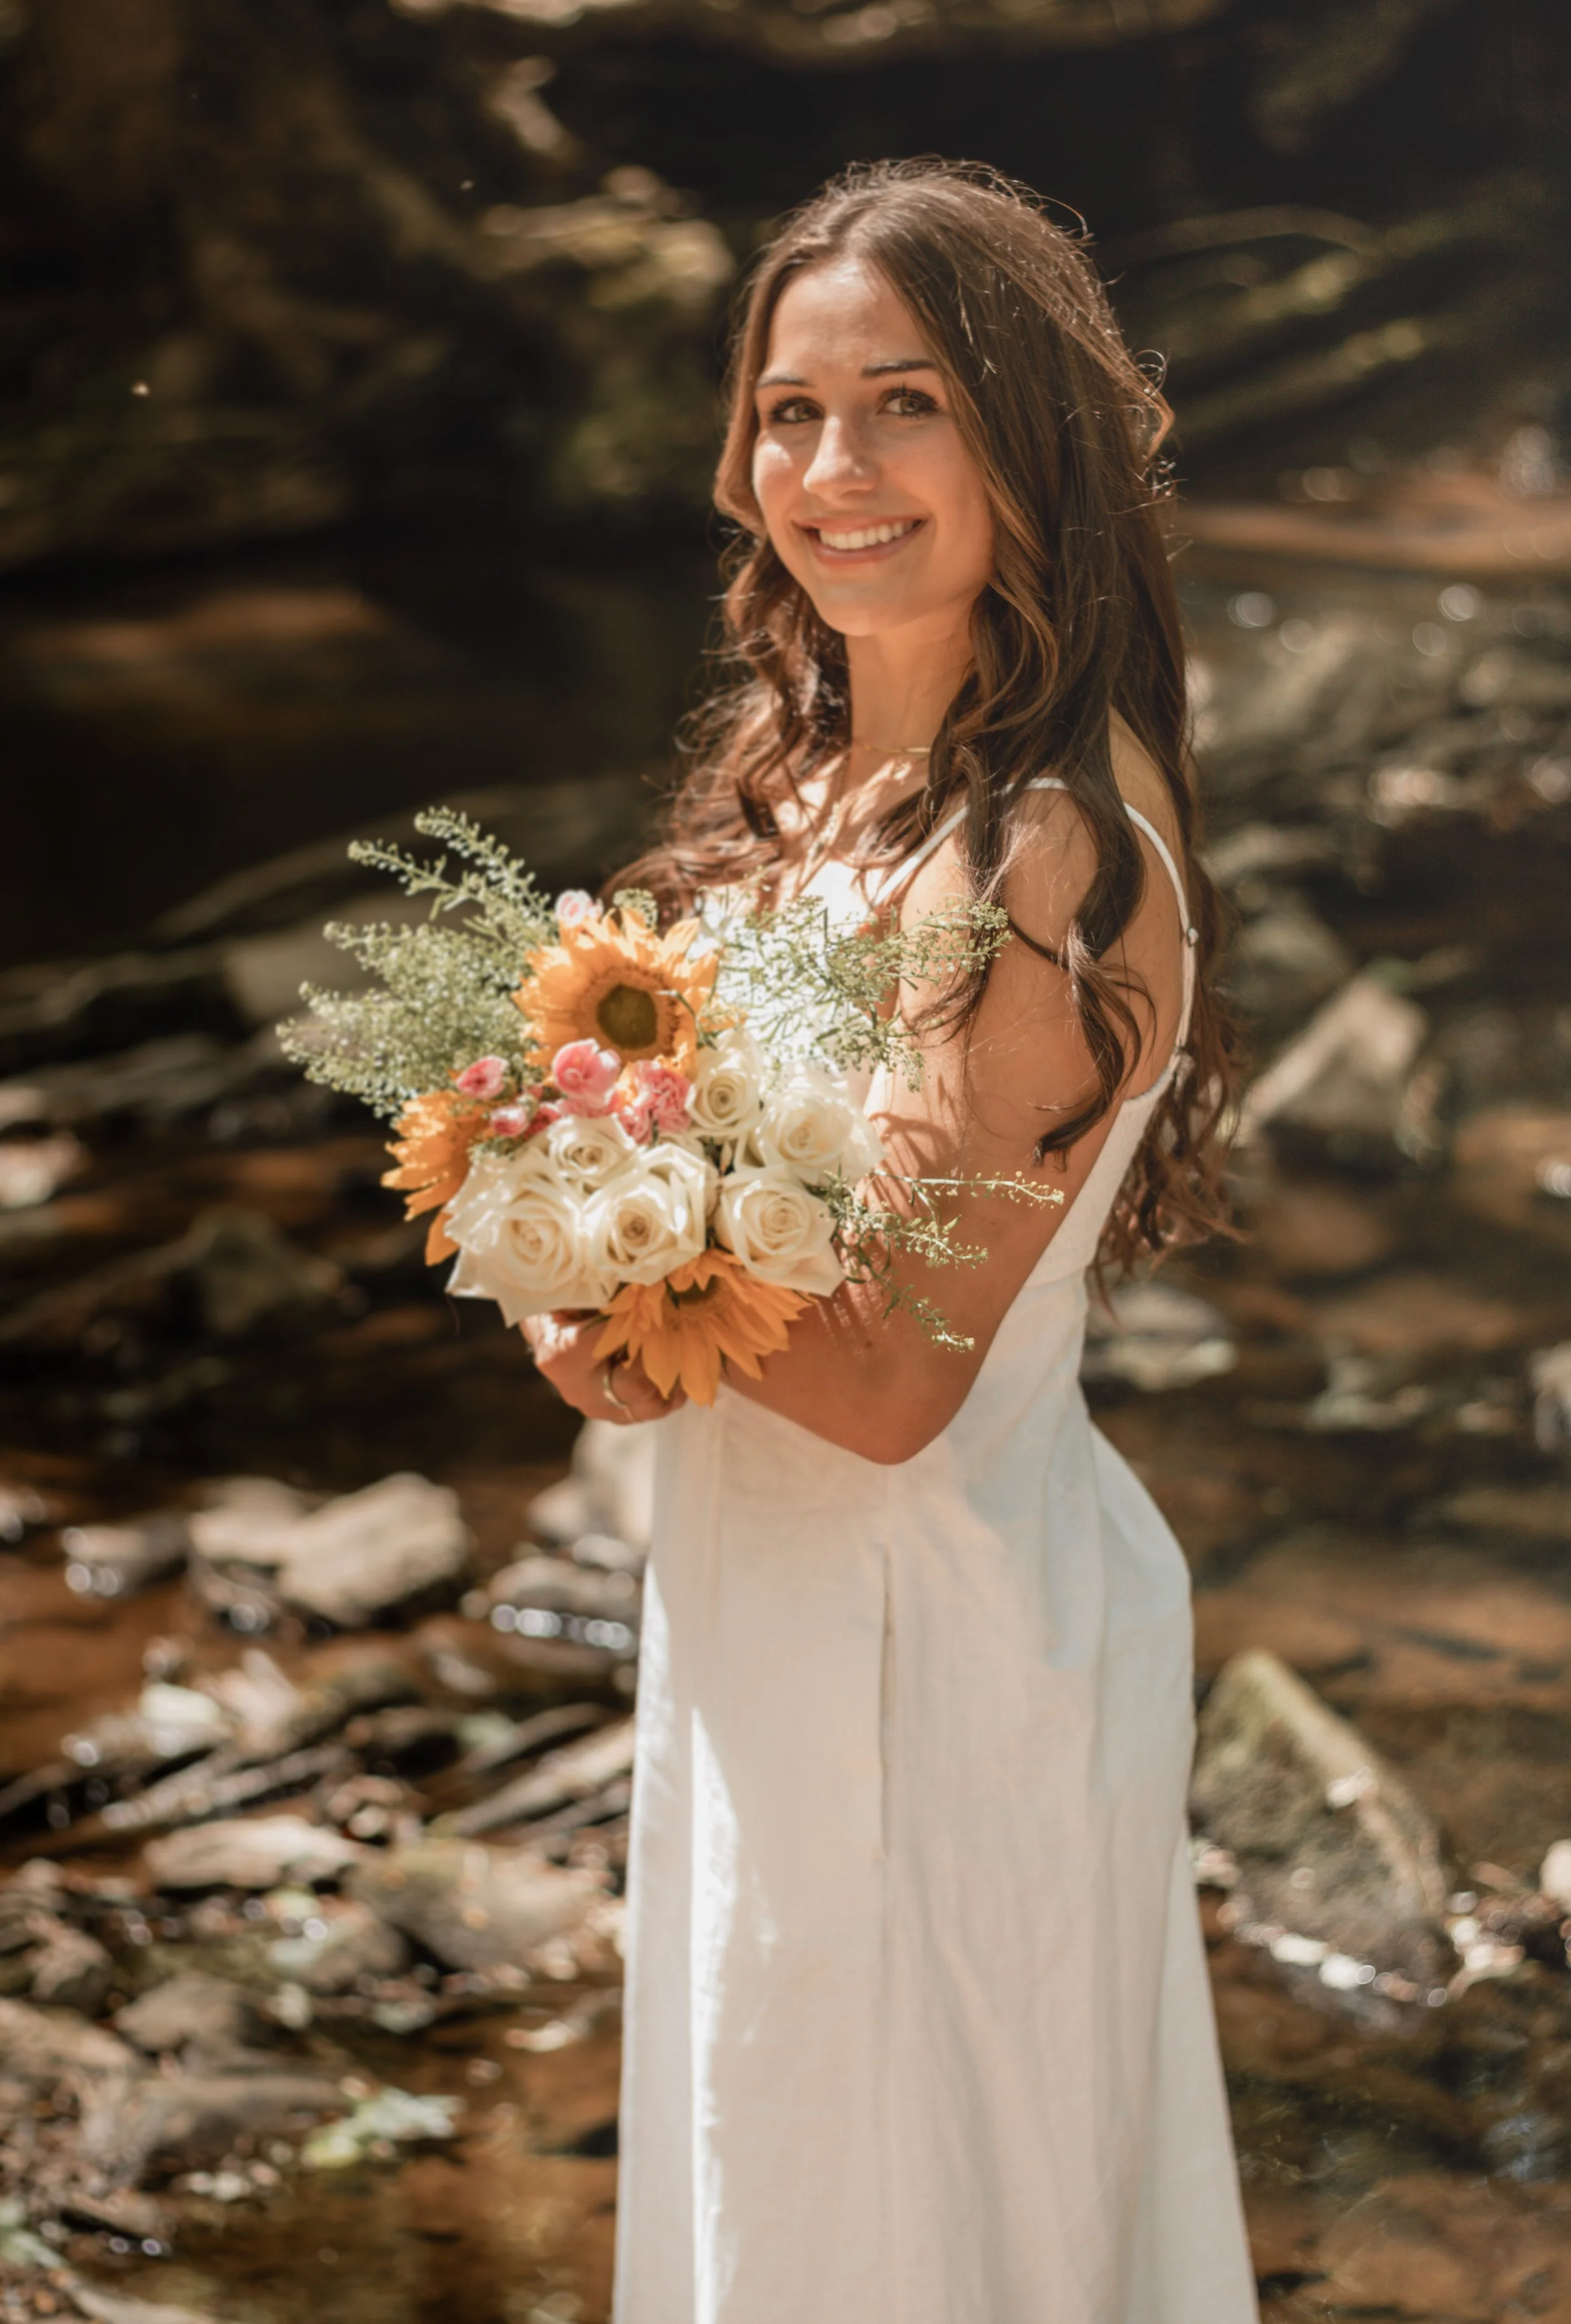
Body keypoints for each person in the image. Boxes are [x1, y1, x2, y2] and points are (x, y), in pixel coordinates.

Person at [525, 158, 1259, 2324]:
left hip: (927, 1663)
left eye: (905, 402)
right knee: (783, 2204)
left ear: (1027, 435)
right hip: (765, 1620)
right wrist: (570, 1269)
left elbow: (883, 1378)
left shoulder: (1038, 850)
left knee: (908, 2243)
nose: (830, 469)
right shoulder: (815, 776)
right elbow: (715, 1268)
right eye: (786, 409)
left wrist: (636, 1259)